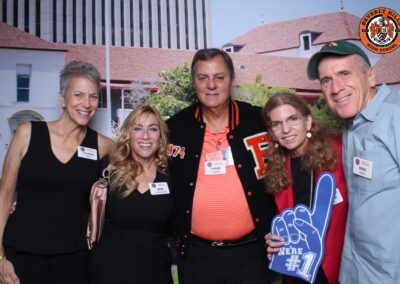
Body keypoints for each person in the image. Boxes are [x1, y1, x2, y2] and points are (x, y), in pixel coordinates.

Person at [167, 48, 276, 284]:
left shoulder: (259, 121)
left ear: (232, 80)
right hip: (196, 255)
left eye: (219, 77)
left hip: (251, 253)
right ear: (194, 82)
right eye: (202, 78)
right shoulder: (174, 128)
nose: (211, 85)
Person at [0, 61, 113, 284]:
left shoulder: (102, 145)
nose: (87, 104)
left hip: (75, 256)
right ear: (62, 98)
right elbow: (4, 197)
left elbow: (139, 159)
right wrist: (0, 257)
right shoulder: (27, 133)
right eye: (78, 95)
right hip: (24, 250)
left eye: (93, 96)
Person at [307, 40, 400, 283]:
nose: (336, 88)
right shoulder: (351, 125)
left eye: (344, 74)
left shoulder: (395, 117)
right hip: (355, 269)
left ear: (370, 77)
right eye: (326, 80)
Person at [263, 92, 348, 284]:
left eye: (292, 119)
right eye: (276, 124)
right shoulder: (276, 167)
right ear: (271, 132)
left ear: (307, 122)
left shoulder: (339, 152)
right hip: (298, 268)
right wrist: (273, 239)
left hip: (338, 266)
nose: (285, 129)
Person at [90, 105, 173, 284]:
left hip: (156, 273)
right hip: (109, 273)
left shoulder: (171, 177)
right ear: (129, 135)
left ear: (160, 136)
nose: (145, 136)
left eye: (152, 129)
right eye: (138, 128)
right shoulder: (108, 171)